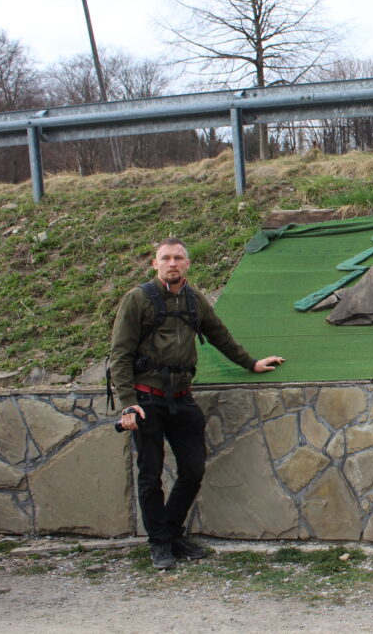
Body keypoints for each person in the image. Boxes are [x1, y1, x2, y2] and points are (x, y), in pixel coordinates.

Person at [110, 237, 284, 569]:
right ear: (155, 263)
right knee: (150, 475)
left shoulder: (194, 300)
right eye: (165, 258)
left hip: (181, 398)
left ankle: (172, 532)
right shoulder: (138, 299)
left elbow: (219, 335)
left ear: (187, 264)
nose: (172, 263)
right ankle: (160, 543)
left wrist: (251, 363)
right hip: (147, 398)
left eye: (178, 258)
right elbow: (120, 354)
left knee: (193, 469)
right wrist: (128, 403)